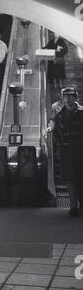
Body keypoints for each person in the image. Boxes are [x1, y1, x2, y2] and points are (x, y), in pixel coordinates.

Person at [51, 87, 83, 217]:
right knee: (70, 179)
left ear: (76, 97)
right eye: (65, 97)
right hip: (67, 153)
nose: (68, 99)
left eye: (70, 96)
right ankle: (73, 206)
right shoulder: (59, 116)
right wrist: (58, 145)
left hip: (81, 151)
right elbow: (55, 133)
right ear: (62, 99)